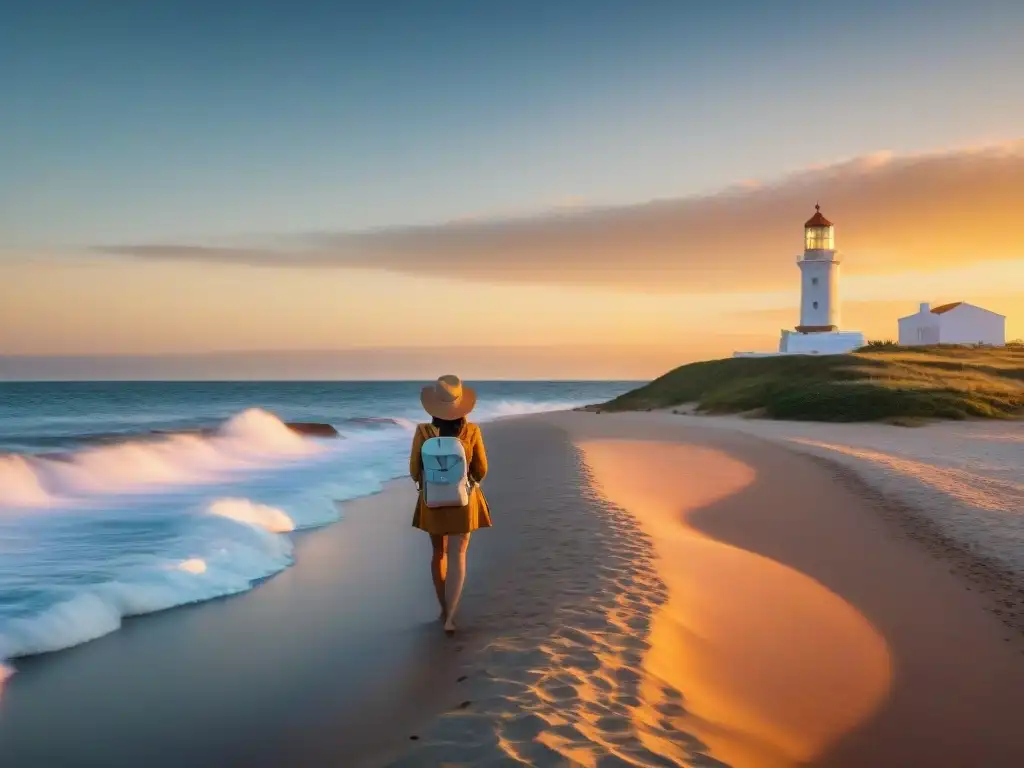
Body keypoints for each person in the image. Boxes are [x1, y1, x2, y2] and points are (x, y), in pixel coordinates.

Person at [410, 375, 492, 636]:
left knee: (439, 555)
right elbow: (482, 470)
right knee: (458, 555)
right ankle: (452, 617)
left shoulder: (423, 432)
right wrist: (468, 482)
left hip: (432, 500)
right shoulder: (472, 431)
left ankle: (443, 609)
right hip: (463, 501)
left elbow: (414, 471)